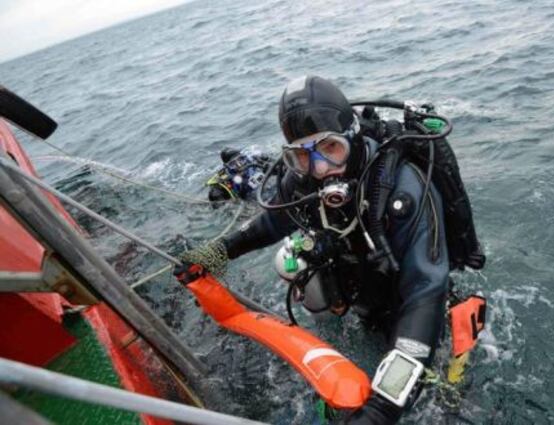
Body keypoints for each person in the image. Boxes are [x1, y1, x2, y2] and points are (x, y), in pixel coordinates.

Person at [176, 75, 485, 424]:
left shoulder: (402, 188)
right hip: (362, 298)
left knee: (439, 401)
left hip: (417, 308)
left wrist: (383, 408)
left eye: (331, 148)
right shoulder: (303, 180)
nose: (321, 168)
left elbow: (424, 292)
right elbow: (270, 224)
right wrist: (216, 253)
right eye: (302, 155)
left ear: (353, 136)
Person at [206, 147, 271, 202]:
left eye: (240, 160)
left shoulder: (252, 160)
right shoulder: (228, 178)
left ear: (244, 157)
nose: (239, 165)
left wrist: (266, 162)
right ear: (227, 167)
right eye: (233, 164)